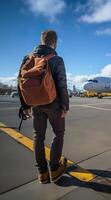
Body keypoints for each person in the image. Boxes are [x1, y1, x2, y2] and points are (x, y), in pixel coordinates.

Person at [17, 30, 69, 184]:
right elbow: (62, 84)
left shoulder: (28, 58)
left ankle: (42, 172)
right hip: (54, 104)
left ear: (41, 41)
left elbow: (19, 82)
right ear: (55, 42)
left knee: (37, 137)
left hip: (36, 105)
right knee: (58, 133)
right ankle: (54, 168)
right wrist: (65, 105)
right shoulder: (57, 59)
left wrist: (25, 105)